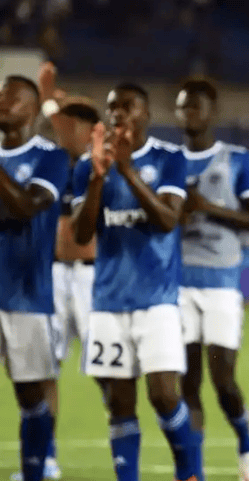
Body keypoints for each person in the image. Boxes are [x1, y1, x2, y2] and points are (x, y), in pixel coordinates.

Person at [70, 83, 202, 481]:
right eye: (112, 107)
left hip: (157, 300)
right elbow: (81, 235)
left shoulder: (169, 158)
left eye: (127, 106)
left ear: (146, 113)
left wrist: (126, 170)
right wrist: (97, 178)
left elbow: (168, 220)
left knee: (163, 395)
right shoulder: (88, 165)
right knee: (119, 404)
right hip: (108, 302)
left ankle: (189, 471)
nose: (117, 113)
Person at [9, 62, 102, 481]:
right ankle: (45, 456)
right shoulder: (54, 162)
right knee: (46, 371)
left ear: (86, 129)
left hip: (90, 277)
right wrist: (48, 99)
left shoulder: (96, 166)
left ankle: (121, 439)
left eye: (68, 123)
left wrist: (48, 99)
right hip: (52, 275)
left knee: (108, 373)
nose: (60, 127)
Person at [175, 77, 249, 481]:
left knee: (224, 380)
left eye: (195, 106)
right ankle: (193, 470)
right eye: (183, 107)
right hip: (178, 284)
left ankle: (246, 448)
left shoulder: (237, 160)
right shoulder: (169, 161)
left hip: (222, 285)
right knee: (187, 382)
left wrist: (206, 207)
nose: (188, 114)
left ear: (212, 113)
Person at [0, 74, 69, 481]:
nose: (1, 101)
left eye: (9, 96)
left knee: (30, 395)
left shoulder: (51, 158)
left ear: (30, 106)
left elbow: (27, 207)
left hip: (25, 295)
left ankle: (35, 471)